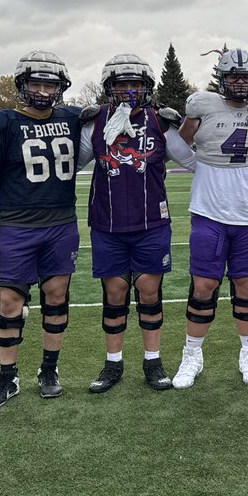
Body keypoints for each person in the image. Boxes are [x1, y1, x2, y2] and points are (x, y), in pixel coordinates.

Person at [78, 53, 195, 394]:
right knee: (114, 293)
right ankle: (113, 364)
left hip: (150, 223)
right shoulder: (96, 123)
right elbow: (70, 165)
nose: (129, 90)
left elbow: (195, 161)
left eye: (135, 84)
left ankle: (152, 361)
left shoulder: (159, 122)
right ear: (109, 88)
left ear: (147, 87)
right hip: (108, 223)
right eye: (121, 84)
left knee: (148, 291)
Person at [0, 52, 82, 409]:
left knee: (56, 296)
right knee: (9, 301)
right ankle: (7, 378)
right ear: (21, 84)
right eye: (36, 83)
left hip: (61, 224)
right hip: (16, 226)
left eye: (50, 84)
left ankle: (49, 370)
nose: (43, 91)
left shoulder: (73, 118)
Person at [173, 48, 248, 388]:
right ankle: (191, 354)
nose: (241, 83)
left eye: (247, 77)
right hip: (210, 212)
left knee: (247, 286)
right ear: (221, 80)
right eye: (234, 77)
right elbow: (181, 144)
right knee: (204, 286)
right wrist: (198, 166)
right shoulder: (202, 107)